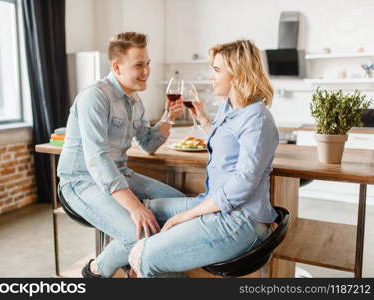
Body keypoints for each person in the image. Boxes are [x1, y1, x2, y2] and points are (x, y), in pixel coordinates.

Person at [128, 40, 279, 278]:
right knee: (145, 212)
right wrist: (204, 121)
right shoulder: (229, 108)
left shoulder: (257, 119)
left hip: (241, 221)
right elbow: (226, 150)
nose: (212, 76)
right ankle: (118, 263)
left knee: (145, 256)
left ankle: (134, 261)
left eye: (217, 70)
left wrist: (189, 214)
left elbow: (242, 184)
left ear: (239, 74)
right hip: (218, 206)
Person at [57, 32, 185, 278]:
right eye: (139, 65)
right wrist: (135, 207)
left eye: (147, 63)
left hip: (120, 174)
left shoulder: (135, 101)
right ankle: (96, 270)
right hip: (80, 181)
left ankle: (135, 267)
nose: (146, 70)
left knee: (178, 206)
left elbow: (148, 143)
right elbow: (97, 159)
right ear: (116, 66)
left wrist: (169, 118)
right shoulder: (94, 97)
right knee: (139, 234)